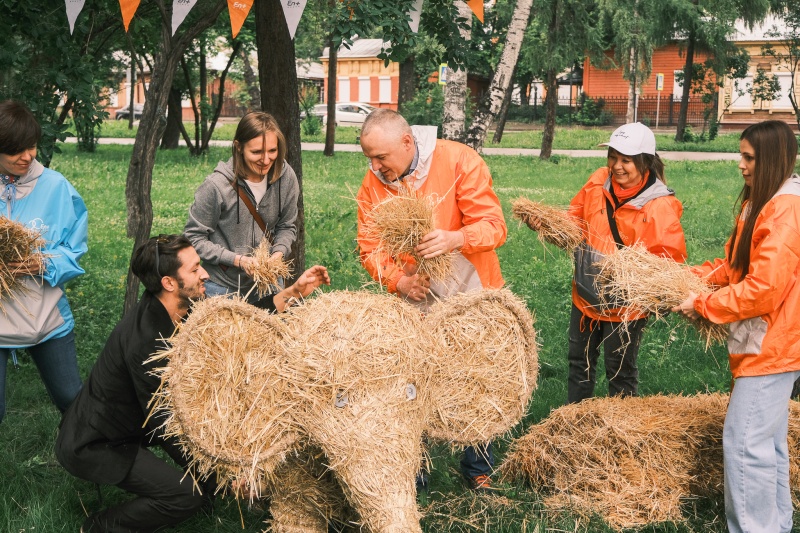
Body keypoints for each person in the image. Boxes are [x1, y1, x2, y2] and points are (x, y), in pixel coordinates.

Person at [55, 234, 330, 533]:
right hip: (98, 441)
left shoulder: (184, 308)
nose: (205, 274)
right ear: (169, 283)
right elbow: (168, 421)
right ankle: (99, 526)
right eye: (195, 268)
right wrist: (225, 472)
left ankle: (206, 488)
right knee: (185, 497)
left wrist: (293, 292)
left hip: (135, 424)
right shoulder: (147, 342)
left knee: (208, 486)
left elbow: (242, 323)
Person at [355, 109, 507, 491]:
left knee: (477, 376)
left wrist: (455, 238)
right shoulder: (375, 184)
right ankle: (415, 468)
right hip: (416, 295)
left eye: (381, 157)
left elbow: (494, 226)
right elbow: (369, 246)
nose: (374, 166)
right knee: (414, 377)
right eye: (369, 158)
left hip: (470, 289)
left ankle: (478, 468)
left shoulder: (458, 161)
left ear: (407, 143)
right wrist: (397, 281)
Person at [673, 120, 800, 533]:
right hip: (767, 341)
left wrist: (705, 305)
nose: (740, 165)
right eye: (741, 156)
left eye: (748, 158)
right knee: (767, 444)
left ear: (771, 160)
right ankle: (775, 525)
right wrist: (691, 278)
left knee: (744, 444)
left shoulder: (784, 210)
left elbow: (763, 288)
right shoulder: (762, 202)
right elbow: (737, 267)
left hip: (775, 346)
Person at [567, 122, 686, 404]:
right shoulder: (598, 181)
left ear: (645, 162)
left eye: (626, 160)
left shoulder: (659, 205)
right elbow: (574, 218)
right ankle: (571, 421)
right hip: (585, 297)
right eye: (613, 156)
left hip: (625, 308)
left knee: (619, 371)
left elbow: (668, 262)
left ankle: (621, 429)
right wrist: (555, 227)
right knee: (578, 364)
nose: (617, 166)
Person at [0, 100, 88, 424]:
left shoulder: (55, 187)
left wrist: (41, 263)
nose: (28, 156)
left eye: (32, 146)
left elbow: (74, 250)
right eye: (16, 151)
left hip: (45, 318)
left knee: (71, 399)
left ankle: (90, 461)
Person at [185, 111, 299, 302]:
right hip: (221, 288)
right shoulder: (216, 186)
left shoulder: (286, 177)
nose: (266, 160)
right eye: (256, 152)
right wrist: (237, 260)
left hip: (269, 284)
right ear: (238, 147)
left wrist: (278, 253)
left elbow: (287, 226)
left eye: (272, 151)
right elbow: (193, 238)